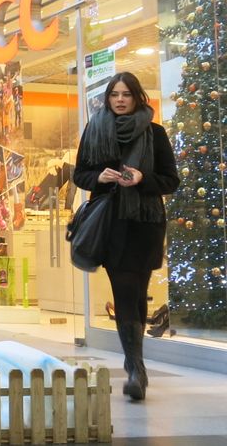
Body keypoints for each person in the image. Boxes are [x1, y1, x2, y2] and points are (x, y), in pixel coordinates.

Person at [73, 71, 179, 401]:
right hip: (112, 223)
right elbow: (80, 175)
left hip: (145, 223)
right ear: (107, 99)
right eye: (114, 94)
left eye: (126, 94)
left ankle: (135, 364)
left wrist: (143, 179)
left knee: (138, 293)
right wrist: (100, 178)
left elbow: (170, 181)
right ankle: (136, 368)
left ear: (137, 98)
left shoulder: (155, 133)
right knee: (124, 291)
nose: (120, 100)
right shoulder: (95, 130)